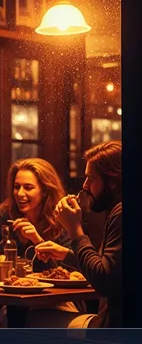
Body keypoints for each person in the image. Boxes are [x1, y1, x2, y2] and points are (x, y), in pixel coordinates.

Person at [0, 158, 83, 327]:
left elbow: (70, 273)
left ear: (45, 191)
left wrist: (37, 240)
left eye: (28, 187)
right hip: (11, 302)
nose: (20, 193)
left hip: (57, 301)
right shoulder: (0, 217)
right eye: (16, 187)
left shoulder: (61, 219)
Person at [36, 140, 122, 328]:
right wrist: (67, 255)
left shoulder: (122, 214)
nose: (84, 186)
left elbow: (104, 281)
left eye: (91, 179)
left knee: (30, 320)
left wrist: (75, 230)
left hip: (115, 332)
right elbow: (109, 270)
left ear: (113, 182)